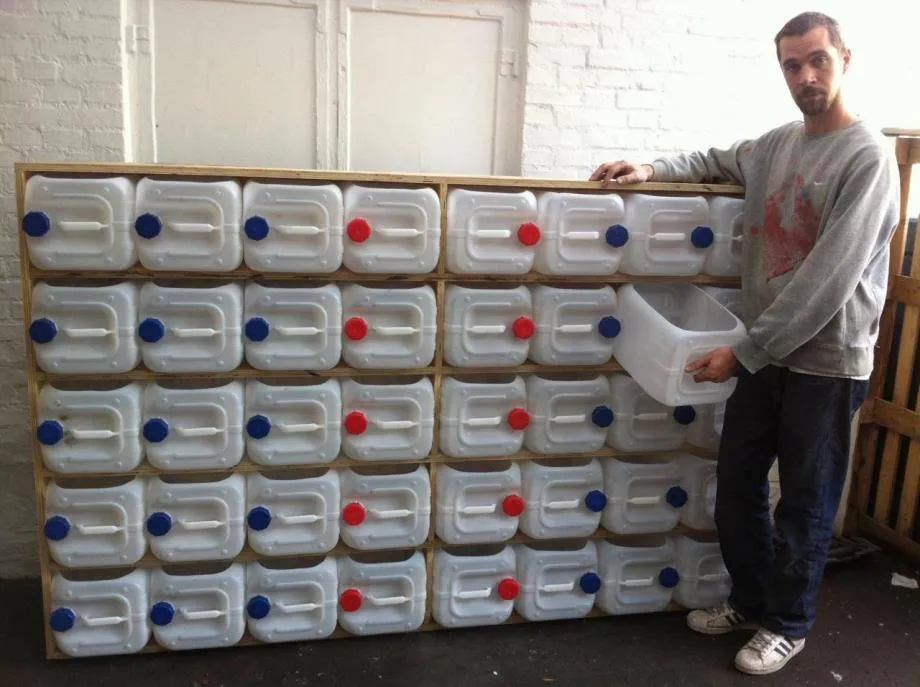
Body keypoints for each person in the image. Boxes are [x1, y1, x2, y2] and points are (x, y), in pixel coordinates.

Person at [590, 11, 899, 677]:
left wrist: (744, 352)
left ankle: (788, 625)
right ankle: (753, 601)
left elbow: (827, 281)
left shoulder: (868, 158)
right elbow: (714, 159)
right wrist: (651, 165)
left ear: (846, 59)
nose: (805, 75)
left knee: (806, 502)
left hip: (826, 361)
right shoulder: (778, 145)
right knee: (736, 485)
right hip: (764, 351)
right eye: (792, 64)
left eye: (818, 59)